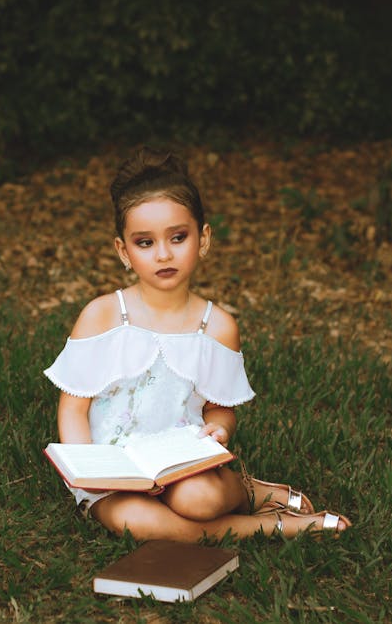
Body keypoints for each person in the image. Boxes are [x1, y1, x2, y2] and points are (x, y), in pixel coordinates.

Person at [44, 147, 351, 542]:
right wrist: (87, 472)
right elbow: (73, 406)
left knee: (198, 502)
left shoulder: (216, 326)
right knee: (138, 523)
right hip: (114, 475)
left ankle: (246, 489)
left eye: (177, 237)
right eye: (145, 243)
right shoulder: (102, 316)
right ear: (123, 250)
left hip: (182, 468)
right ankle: (280, 527)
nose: (164, 254)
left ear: (202, 239)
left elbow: (219, 410)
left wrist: (219, 431)